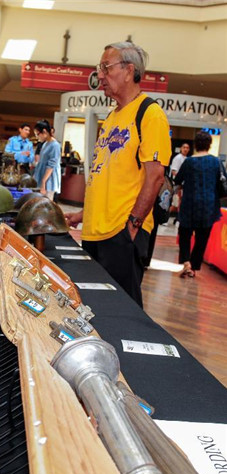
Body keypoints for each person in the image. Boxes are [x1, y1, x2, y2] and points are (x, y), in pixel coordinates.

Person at [65, 41, 171, 307]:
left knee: (122, 311)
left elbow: (155, 177)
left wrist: (133, 225)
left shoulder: (150, 114)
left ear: (128, 70)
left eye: (105, 67)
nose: (99, 75)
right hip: (95, 231)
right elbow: (107, 176)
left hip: (120, 233)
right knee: (95, 308)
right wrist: (83, 213)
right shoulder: (112, 117)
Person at [174, 131, 222, 278]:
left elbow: (177, 180)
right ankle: (194, 267)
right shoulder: (216, 162)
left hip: (189, 203)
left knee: (185, 234)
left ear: (195, 145)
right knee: (202, 237)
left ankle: (186, 262)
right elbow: (222, 183)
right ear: (209, 145)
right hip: (208, 205)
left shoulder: (188, 162)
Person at [33, 120, 61, 199]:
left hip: (48, 179)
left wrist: (43, 182)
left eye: (37, 134)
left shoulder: (55, 145)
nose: (37, 137)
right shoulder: (45, 144)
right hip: (42, 176)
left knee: (46, 204)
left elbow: (51, 165)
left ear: (44, 132)